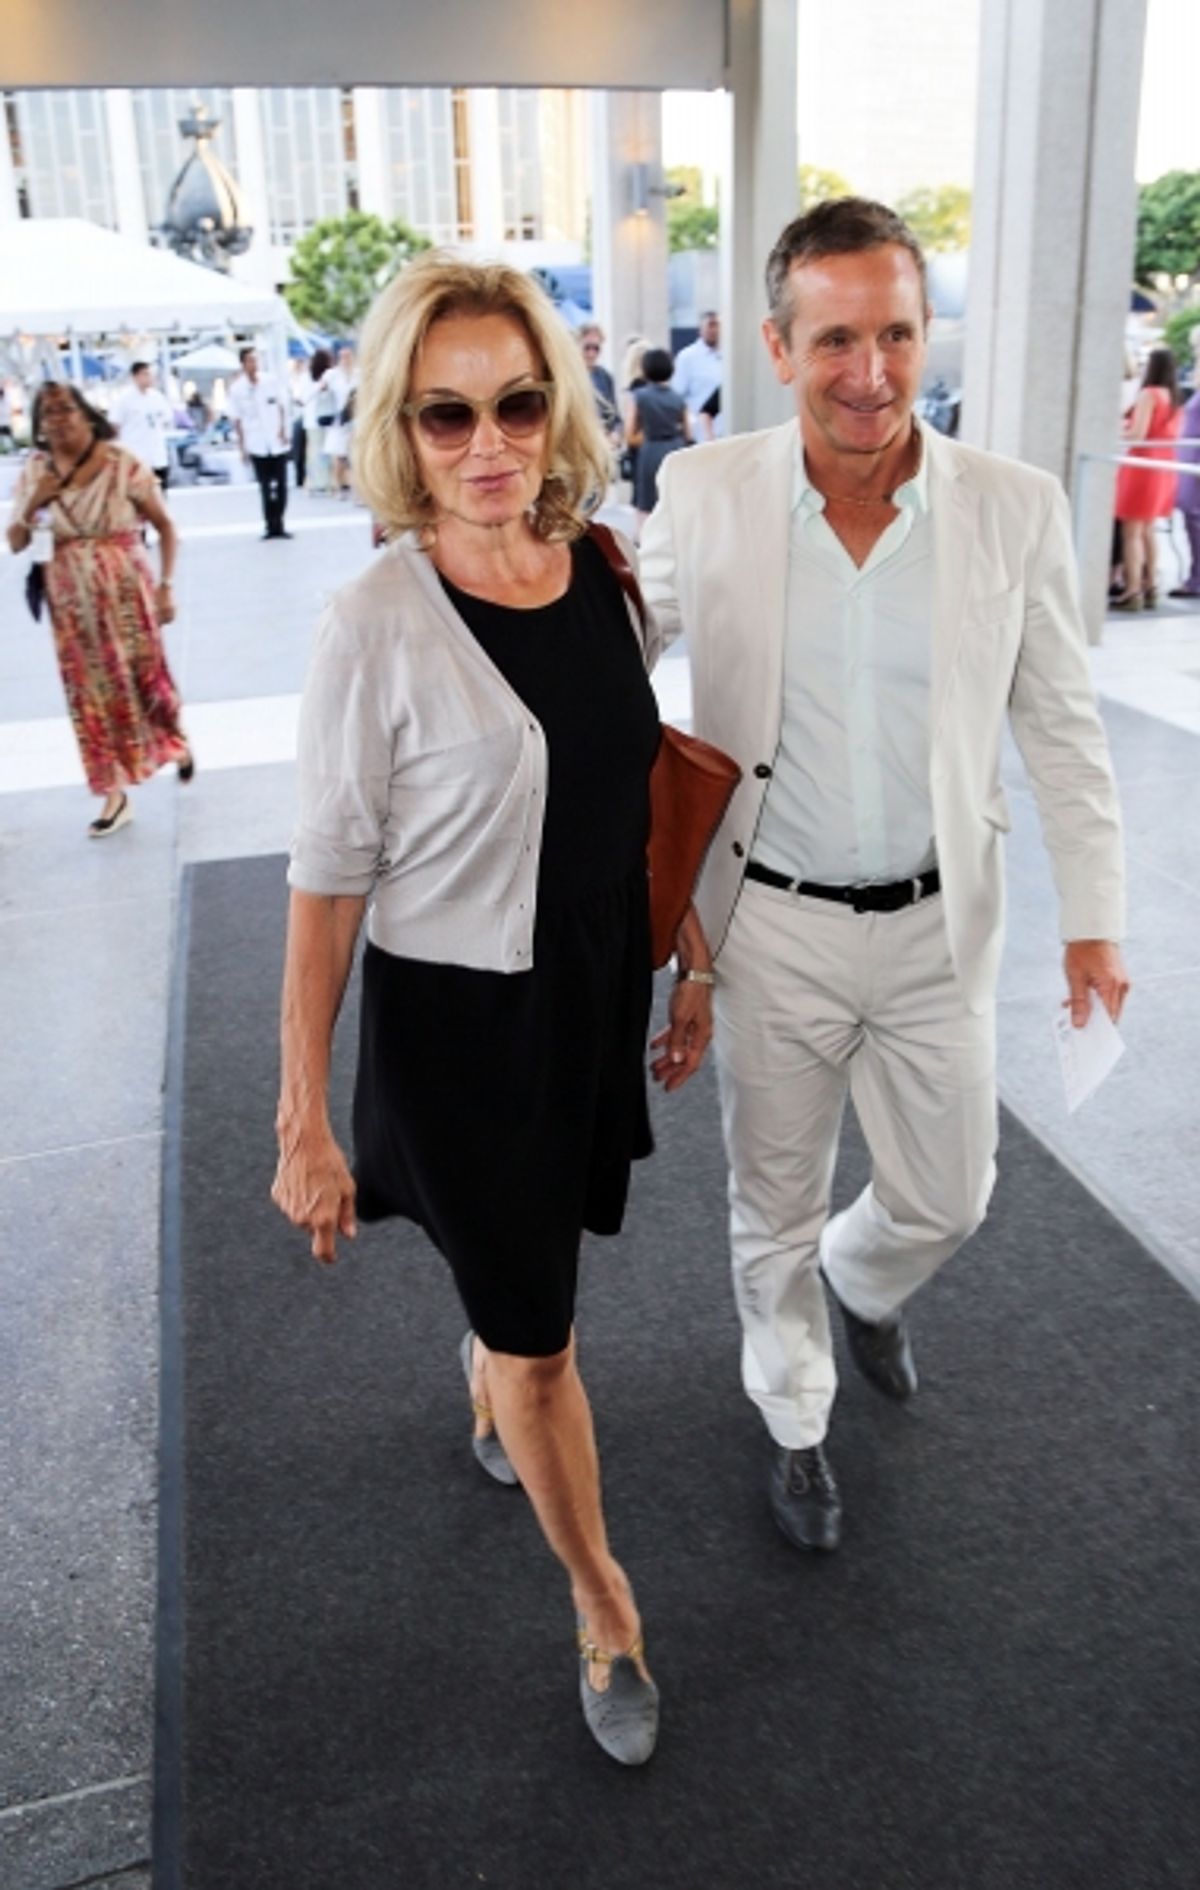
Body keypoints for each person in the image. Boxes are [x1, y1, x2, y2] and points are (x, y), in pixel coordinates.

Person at [271, 253, 714, 1765]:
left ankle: (493, 1356)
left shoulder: (600, 567)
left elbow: (625, 782)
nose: (487, 444)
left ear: (556, 408)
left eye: (516, 404)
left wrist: (688, 949)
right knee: (542, 1343)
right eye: (445, 414)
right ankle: (604, 1599)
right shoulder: (372, 622)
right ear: (400, 429)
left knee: (528, 1277)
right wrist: (303, 1116)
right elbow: (326, 880)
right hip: (462, 1030)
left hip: (588, 993)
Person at [640, 197, 1129, 1556]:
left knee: (950, 1194)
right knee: (772, 1197)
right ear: (777, 346)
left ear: (926, 333)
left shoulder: (1014, 507)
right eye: (837, 339)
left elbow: (1062, 729)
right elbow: (610, 660)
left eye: (898, 334)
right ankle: (794, 1414)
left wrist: (1094, 920)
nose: (871, 372)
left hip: (935, 924)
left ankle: (862, 1282)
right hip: (770, 925)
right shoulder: (703, 494)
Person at [5, 382, 192, 837]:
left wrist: (166, 587)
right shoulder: (35, 471)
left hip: (127, 591)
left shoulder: (121, 462)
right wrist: (35, 500)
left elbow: (166, 527)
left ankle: (173, 738)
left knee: (147, 679)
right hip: (71, 604)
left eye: (66, 409)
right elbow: (15, 540)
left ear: (87, 414)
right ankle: (113, 791)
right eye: (48, 413)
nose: (58, 419)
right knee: (88, 696)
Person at [1112, 345, 1180, 611]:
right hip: (1164, 464)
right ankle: (1150, 585)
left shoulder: (1149, 394)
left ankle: (1132, 590)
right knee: (1148, 530)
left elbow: (1137, 435)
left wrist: (1113, 431)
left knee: (1131, 532)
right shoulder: (1173, 396)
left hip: (1142, 464)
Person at [228, 345, 292, 539]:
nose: (254, 364)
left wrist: (283, 430)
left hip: (276, 440)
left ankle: (280, 522)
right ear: (243, 364)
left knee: (281, 485)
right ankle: (270, 525)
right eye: (250, 361)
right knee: (264, 486)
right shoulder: (237, 389)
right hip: (256, 442)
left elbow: (282, 406)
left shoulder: (271, 381)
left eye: (256, 360)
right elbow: (237, 419)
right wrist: (241, 447)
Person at [626, 347, 690, 528]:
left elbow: (629, 435)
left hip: (650, 451)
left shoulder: (639, 396)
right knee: (674, 502)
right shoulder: (678, 398)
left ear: (645, 370)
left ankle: (645, 541)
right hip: (676, 450)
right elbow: (688, 434)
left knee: (646, 505)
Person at [1169, 328, 1200, 599]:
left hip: (1195, 462)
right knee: (1191, 518)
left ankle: (1197, 578)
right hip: (1189, 461)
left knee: (1194, 518)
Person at [111, 361, 173, 488]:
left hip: (157, 457)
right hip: (136, 457)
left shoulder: (157, 397)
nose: (149, 377)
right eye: (145, 374)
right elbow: (114, 426)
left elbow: (166, 419)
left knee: (160, 493)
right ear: (135, 376)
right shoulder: (124, 400)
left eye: (150, 374)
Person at [671, 310, 722, 436]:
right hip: (699, 431)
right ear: (700, 329)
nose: (714, 330)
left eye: (717, 325)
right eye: (710, 325)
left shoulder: (729, 355)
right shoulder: (687, 357)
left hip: (726, 428)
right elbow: (678, 395)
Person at [324, 344, 357, 496]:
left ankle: (358, 492)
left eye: (348, 356)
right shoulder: (332, 375)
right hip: (340, 420)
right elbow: (322, 392)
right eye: (342, 356)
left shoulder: (360, 374)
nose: (346, 359)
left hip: (357, 418)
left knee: (357, 456)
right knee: (339, 455)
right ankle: (338, 487)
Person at [578, 323, 621, 442]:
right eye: (587, 347)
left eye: (596, 348)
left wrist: (615, 433)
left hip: (602, 441)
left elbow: (615, 416)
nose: (591, 354)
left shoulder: (605, 377)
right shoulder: (568, 376)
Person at [304, 347, 335, 495]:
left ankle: (317, 482)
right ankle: (322, 482)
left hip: (315, 420)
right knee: (323, 452)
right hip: (323, 419)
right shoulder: (326, 377)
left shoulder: (310, 377)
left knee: (316, 452)